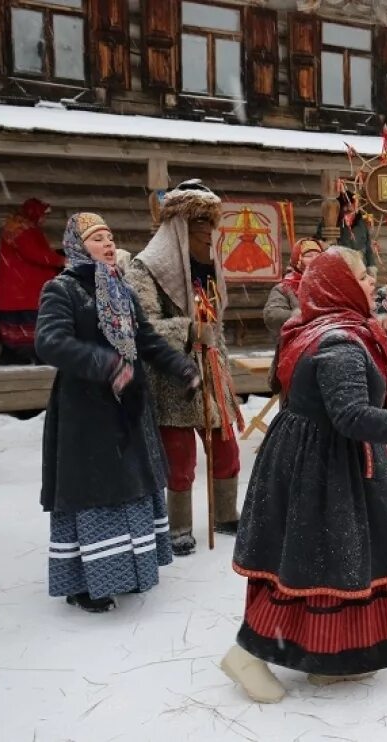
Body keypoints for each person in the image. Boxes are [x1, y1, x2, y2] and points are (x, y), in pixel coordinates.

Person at [221, 247, 387, 702]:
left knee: (328, 563)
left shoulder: (323, 328)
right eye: (361, 274)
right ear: (338, 283)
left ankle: (328, 659)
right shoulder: (339, 342)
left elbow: (351, 401)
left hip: (320, 460)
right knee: (309, 561)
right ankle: (248, 654)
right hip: (324, 467)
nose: (372, 280)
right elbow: (353, 417)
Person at [36, 213, 200, 613]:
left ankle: (127, 571)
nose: (108, 243)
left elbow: (145, 339)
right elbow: (49, 342)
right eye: (96, 238)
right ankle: (87, 583)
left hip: (127, 408)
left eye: (110, 236)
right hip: (86, 412)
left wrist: (180, 367)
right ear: (76, 246)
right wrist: (104, 364)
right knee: (96, 494)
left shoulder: (119, 288)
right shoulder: (62, 290)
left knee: (130, 489)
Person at [127, 180, 242, 556]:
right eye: (201, 227)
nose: (210, 235)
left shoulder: (208, 269)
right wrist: (188, 330)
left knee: (226, 450)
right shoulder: (147, 269)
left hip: (213, 373)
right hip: (173, 377)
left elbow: (217, 327)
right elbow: (143, 328)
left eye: (211, 226)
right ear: (181, 228)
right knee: (179, 458)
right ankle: (178, 527)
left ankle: (226, 514)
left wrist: (222, 365)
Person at [0, 198, 64, 365]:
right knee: (33, 324)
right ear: (34, 213)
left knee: (14, 323)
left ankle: (11, 355)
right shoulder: (25, 231)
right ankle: (38, 355)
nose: (44, 220)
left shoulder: (17, 228)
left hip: (15, 287)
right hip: (24, 288)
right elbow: (35, 253)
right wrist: (61, 260)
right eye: (43, 215)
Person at [262, 238, 324, 340]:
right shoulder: (284, 288)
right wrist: (299, 315)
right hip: (296, 341)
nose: (314, 259)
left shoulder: (328, 284)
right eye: (308, 256)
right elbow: (272, 315)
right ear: (297, 260)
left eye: (318, 255)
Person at [315, 190, 375, 272]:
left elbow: (368, 248)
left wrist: (371, 267)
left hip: (361, 267)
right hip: (340, 267)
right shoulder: (328, 222)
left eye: (351, 205)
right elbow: (318, 243)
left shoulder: (361, 223)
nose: (347, 208)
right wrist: (325, 246)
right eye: (345, 206)